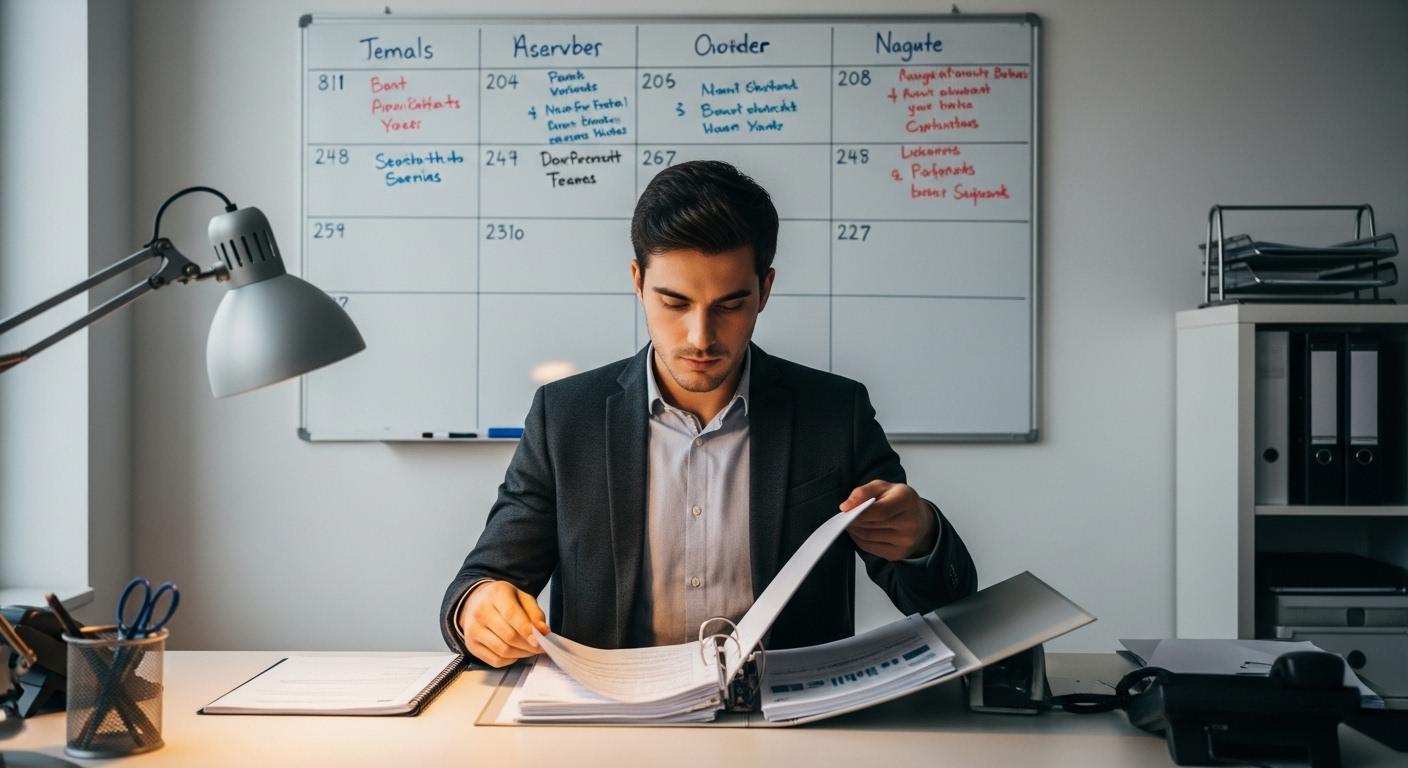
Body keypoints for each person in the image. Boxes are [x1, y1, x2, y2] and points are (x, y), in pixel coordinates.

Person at [440, 160, 977, 667]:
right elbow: (484, 579)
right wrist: (479, 609)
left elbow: (943, 603)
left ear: (764, 290)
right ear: (637, 283)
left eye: (729, 305)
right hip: (612, 724)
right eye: (674, 303)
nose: (700, 338)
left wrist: (921, 540)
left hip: (787, 721)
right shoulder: (565, 417)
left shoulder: (835, 413)